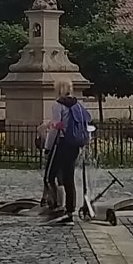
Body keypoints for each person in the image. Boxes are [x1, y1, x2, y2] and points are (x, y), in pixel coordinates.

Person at [46, 84, 89, 225]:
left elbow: (55, 128)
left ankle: (56, 205)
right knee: (69, 178)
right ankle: (70, 211)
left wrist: (48, 146)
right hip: (74, 145)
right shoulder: (78, 105)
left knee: (49, 176)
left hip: (61, 144)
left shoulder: (58, 105)